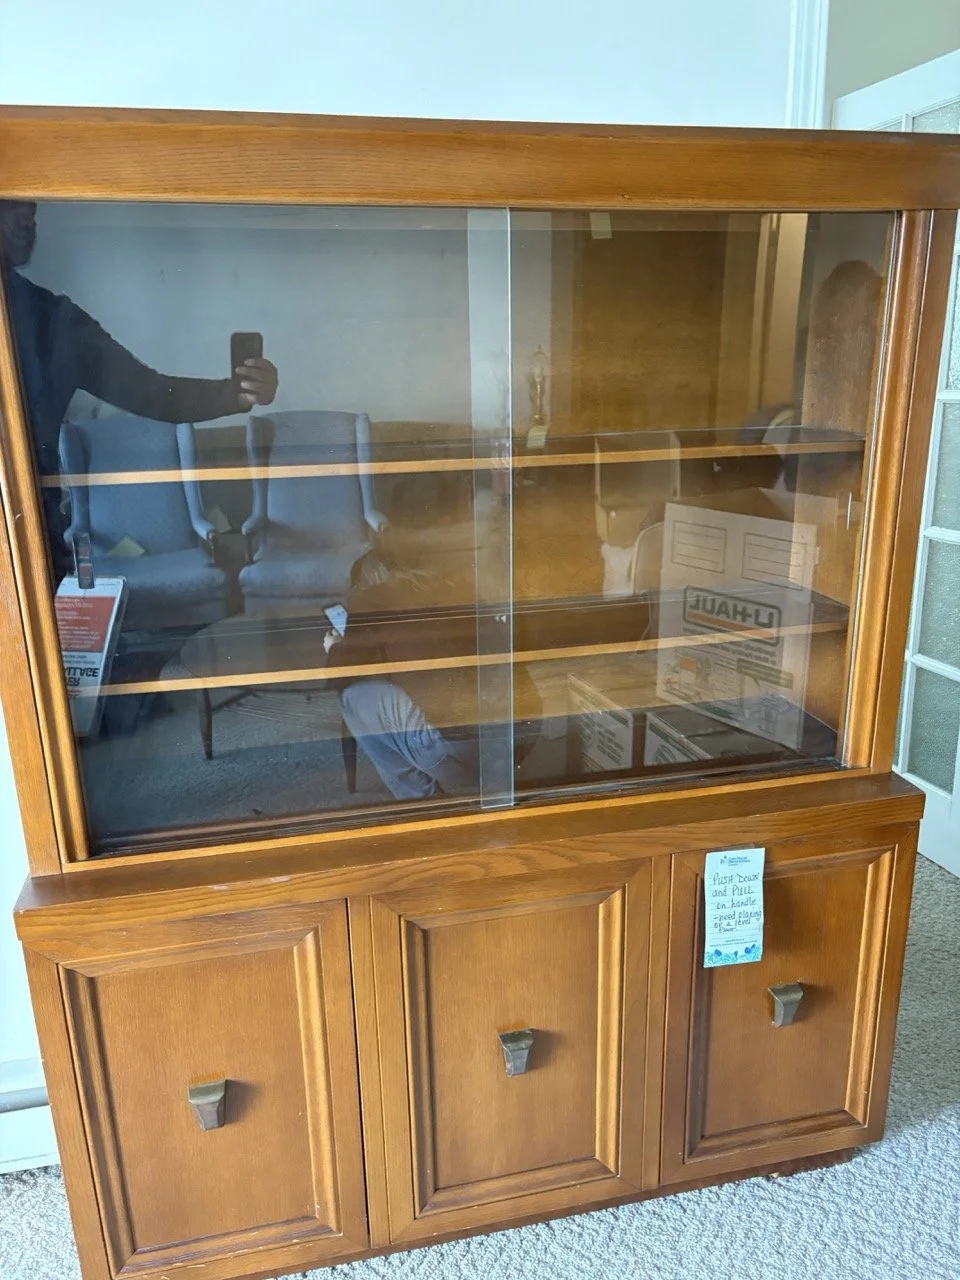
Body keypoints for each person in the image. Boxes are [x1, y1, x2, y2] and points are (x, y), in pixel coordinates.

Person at [0, 199, 279, 567]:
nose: (28, 222)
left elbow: (155, 393)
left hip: (32, 528)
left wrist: (238, 394)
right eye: (12, 208)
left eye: (32, 211)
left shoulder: (54, 319)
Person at [332, 553, 542, 801]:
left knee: (352, 696)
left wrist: (334, 646)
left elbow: (338, 674)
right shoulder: (453, 585)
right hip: (523, 735)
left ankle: (422, 800)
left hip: (463, 753)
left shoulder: (370, 598)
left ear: (363, 582)